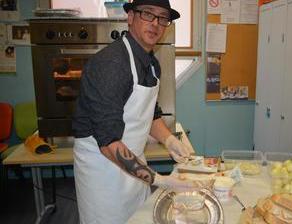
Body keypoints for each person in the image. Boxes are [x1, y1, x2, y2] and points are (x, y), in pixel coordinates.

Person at [72, 1, 209, 223]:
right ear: (130, 17)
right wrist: (159, 180)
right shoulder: (111, 64)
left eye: (163, 18)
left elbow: (150, 114)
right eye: (148, 14)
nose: (155, 23)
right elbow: (108, 142)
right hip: (103, 172)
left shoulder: (152, 64)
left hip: (135, 165)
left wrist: (170, 141)